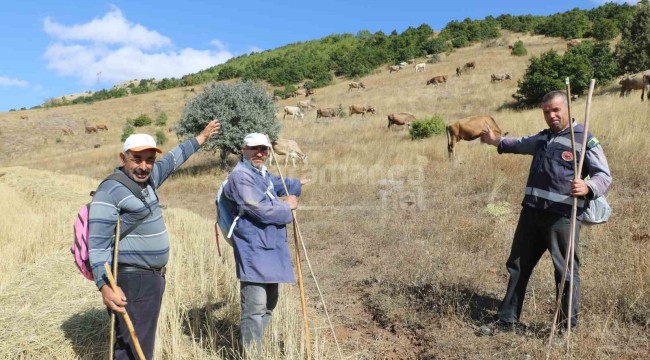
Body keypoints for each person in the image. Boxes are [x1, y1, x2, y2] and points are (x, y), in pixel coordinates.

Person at [481, 90, 612, 332]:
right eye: (546, 112)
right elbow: (518, 144)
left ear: (568, 109)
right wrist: (495, 141)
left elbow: (604, 175)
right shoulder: (542, 138)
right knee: (518, 265)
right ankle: (507, 319)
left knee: (565, 273)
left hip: (562, 217)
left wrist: (588, 186)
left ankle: (565, 327)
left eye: (555, 110)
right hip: (531, 213)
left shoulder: (584, 140)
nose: (551, 115)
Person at [89, 119, 221, 359]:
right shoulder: (109, 191)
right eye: (137, 159)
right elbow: (97, 245)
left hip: (151, 278)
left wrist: (201, 138)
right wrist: (104, 286)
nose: (144, 166)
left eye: (149, 160)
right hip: (132, 279)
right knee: (134, 348)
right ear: (123, 158)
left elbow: (172, 159)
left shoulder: (147, 180)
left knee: (139, 342)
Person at [221, 133, 309, 354]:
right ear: (243, 149)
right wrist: (286, 206)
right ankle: (251, 354)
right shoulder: (240, 176)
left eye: (264, 149)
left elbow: (275, 183)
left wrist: (297, 184)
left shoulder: (259, 172)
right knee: (255, 306)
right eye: (254, 149)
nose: (260, 153)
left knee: (270, 303)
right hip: (253, 247)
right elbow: (257, 208)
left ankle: (254, 347)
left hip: (268, 246)